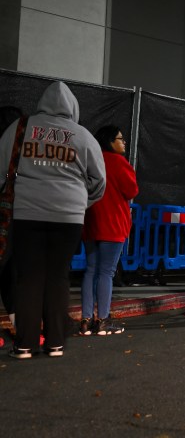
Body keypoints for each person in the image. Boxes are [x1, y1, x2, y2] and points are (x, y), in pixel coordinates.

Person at [0, 81, 106, 359]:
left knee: (29, 277)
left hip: (27, 213)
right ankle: (56, 343)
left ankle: (24, 345)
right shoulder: (82, 136)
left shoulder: (21, 127)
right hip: (68, 218)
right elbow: (99, 181)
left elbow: (1, 170)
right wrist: (81, 203)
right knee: (58, 276)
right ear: (73, 107)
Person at [79, 126, 139, 336]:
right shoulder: (118, 162)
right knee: (106, 272)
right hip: (112, 224)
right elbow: (131, 190)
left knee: (90, 270)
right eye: (120, 139)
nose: (124, 142)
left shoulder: (89, 160)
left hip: (90, 222)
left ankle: (86, 320)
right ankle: (103, 320)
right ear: (109, 141)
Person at [0, 105, 23, 333]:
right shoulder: (18, 146)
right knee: (11, 272)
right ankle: (19, 326)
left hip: (7, 213)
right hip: (14, 215)